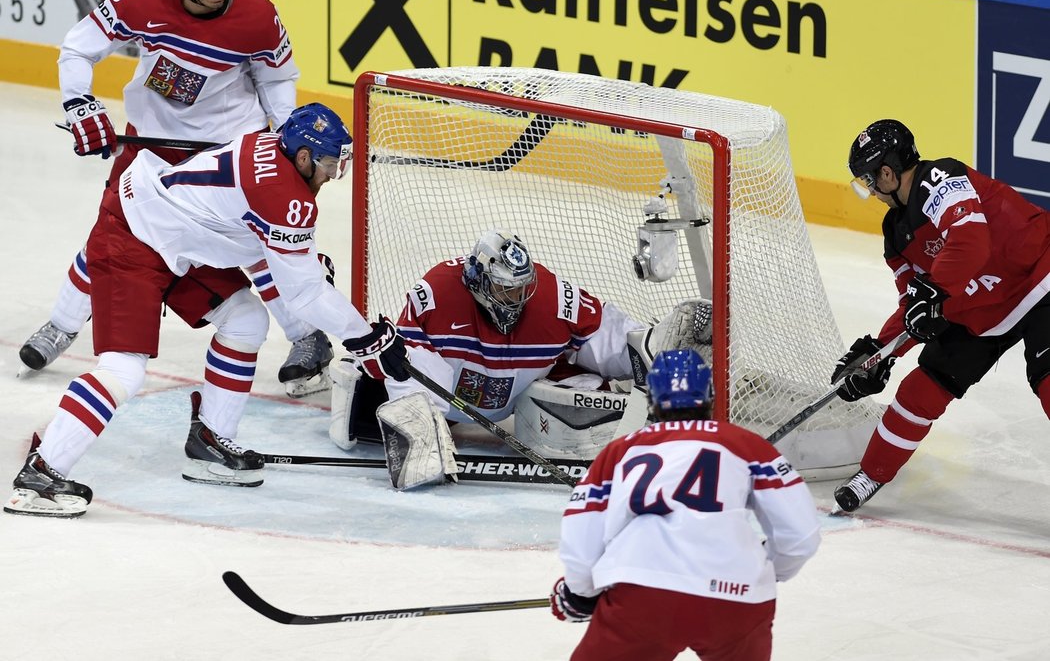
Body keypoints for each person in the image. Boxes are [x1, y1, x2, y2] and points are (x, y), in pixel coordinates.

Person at [3, 103, 408, 518]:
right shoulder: (284, 194)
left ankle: (210, 442)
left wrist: (302, 265)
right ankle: (41, 474)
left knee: (246, 320)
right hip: (132, 239)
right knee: (123, 369)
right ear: (302, 157)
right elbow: (303, 293)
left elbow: (253, 240)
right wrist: (366, 339)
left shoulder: (270, 150)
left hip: (173, 239)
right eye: (327, 164)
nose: (332, 175)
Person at [19, 0, 334, 398]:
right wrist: (79, 102)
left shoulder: (257, 14)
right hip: (150, 145)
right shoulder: (141, 0)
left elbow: (276, 78)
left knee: (262, 243)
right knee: (115, 235)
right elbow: (78, 47)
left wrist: (287, 135)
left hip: (228, 149)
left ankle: (308, 336)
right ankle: (63, 324)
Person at [328, 230, 712, 488]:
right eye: (505, 290)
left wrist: (652, 350)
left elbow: (607, 335)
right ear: (477, 279)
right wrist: (408, 401)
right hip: (448, 400)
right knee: (393, 369)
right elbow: (403, 363)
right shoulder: (436, 292)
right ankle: (421, 438)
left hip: (519, 396)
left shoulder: (551, 297)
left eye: (522, 288)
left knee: (591, 381)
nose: (517, 299)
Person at [830, 118, 1050, 512]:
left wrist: (935, 289)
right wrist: (881, 352)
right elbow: (914, 304)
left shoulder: (939, 178)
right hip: (978, 310)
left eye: (869, 180)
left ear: (887, 173)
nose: (871, 191)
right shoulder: (896, 233)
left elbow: (971, 241)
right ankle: (872, 474)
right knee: (920, 390)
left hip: (1040, 279)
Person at [550, 349, 821, 661]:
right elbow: (801, 537)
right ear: (709, 395)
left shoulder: (621, 450)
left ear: (651, 397)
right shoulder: (749, 445)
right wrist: (768, 568)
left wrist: (580, 592)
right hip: (737, 596)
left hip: (645, 591)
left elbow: (582, 531)